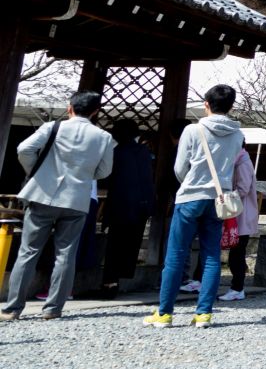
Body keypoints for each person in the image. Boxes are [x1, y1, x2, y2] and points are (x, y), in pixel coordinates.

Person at [2, 91, 114, 322]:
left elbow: (24, 149)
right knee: (66, 254)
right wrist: (84, 174)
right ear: (95, 112)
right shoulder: (103, 137)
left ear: (69, 107)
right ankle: (53, 308)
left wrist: (36, 172)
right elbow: (105, 171)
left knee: (28, 251)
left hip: (44, 194)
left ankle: (13, 308)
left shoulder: (53, 127)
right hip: (77, 199)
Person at [144, 84, 245, 329]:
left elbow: (180, 168)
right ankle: (203, 314)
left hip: (191, 196)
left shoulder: (193, 130)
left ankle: (165, 313)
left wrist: (188, 183)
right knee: (211, 257)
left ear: (206, 104)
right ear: (231, 106)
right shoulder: (237, 134)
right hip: (218, 199)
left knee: (176, 255)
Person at [180, 145, 257, 300]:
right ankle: (199, 280)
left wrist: (221, 196)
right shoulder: (235, 160)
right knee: (210, 246)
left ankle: (237, 288)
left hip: (238, 213)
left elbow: (243, 189)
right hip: (228, 212)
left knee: (236, 252)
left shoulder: (242, 162)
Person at [99, 120, 155, 297]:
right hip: (142, 205)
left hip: (120, 205)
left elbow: (106, 179)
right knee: (130, 245)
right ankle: (118, 280)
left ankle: (109, 284)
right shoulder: (144, 152)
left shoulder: (116, 153)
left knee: (114, 246)